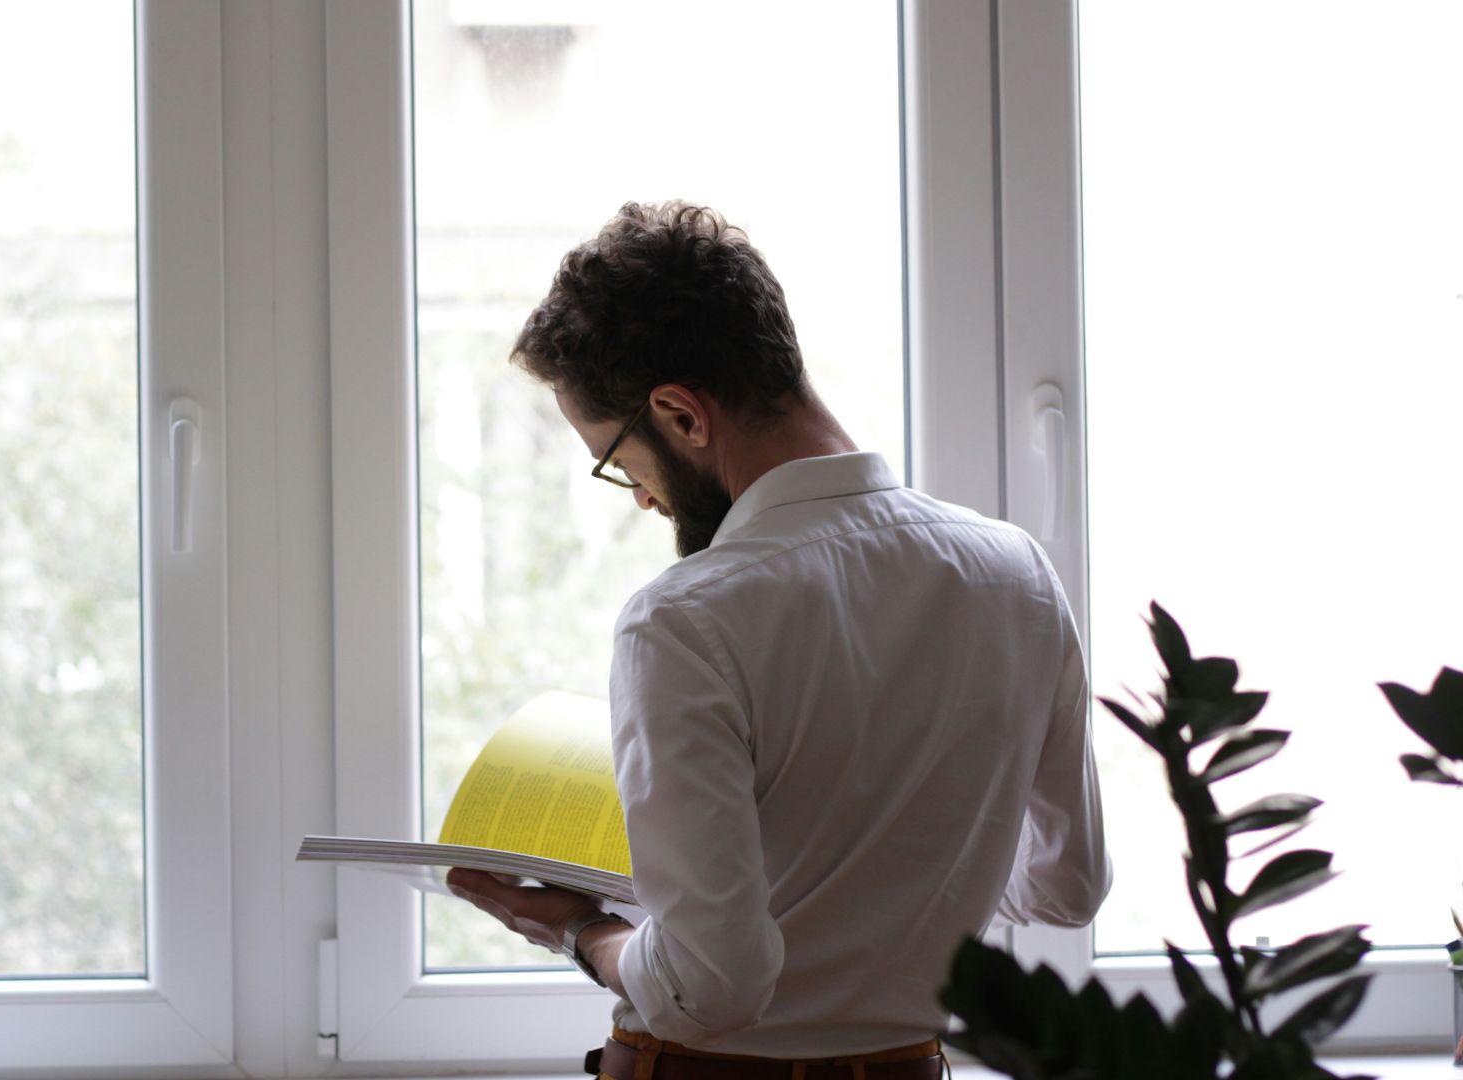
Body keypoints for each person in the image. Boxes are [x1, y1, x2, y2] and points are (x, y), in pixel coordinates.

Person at [446, 202, 1111, 1078]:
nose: (641, 498)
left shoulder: (685, 619)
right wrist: (908, 878)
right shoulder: (1015, 573)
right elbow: (1068, 886)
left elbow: (712, 987)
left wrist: (575, 927)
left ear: (681, 415)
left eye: (616, 460)